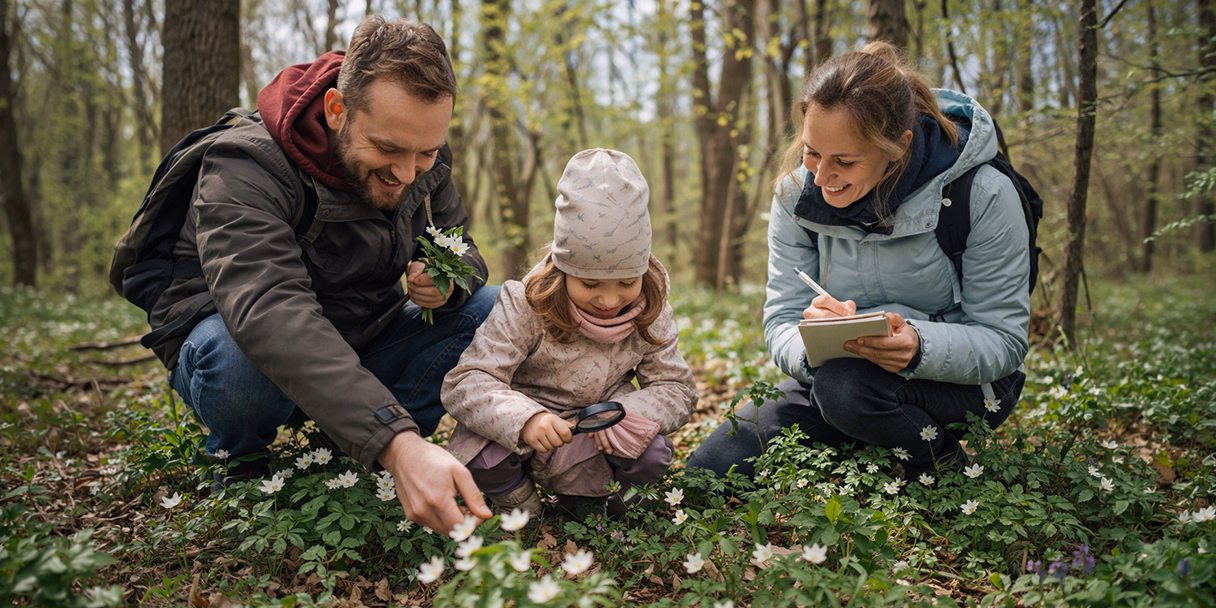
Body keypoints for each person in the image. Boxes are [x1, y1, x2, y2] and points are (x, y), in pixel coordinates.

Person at [157, 15, 496, 534]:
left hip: (364, 336)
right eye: (388, 149)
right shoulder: (245, 164)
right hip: (245, 344)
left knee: (490, 309)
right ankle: (242, 460)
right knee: (239, 362)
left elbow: (461, 246)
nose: (408, 174)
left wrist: (452, 281)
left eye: (425, 152)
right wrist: (396, 443)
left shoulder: (423, 157)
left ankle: (354, 451)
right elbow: (270, 313)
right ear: (338, 110)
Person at [689, 41, 1029, 481]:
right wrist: (812, 343)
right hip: (834, 376)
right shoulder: (795, 195)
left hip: (966, 385)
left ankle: (943, 473)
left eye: (844, 161)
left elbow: (1003, 341)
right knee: (708, 474)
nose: (820, 176)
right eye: (811, 151)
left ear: (898, 147)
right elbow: (781, 321)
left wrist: (917, 347)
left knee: (847, 391)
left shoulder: (980, 194)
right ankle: (871, 436)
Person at [441, 149, 698, 521]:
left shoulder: (651, 309)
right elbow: (467, 381)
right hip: (525, 435)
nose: (610, 300)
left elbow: (677, 388)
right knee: (480, 449)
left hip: (596, 434)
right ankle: (519, 504)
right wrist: (526, 419)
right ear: (562, 270)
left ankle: (596, 506)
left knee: (652, 452)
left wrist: (625, 414)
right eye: (590, 283)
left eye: (627, 281)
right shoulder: (525, 303)